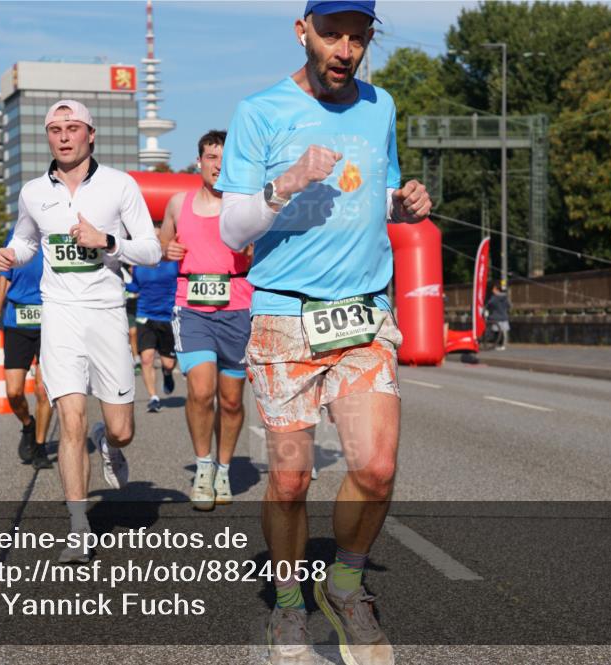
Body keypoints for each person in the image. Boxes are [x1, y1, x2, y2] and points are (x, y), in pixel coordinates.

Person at [216, 2, 432, 663]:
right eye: (332, 33)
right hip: (283, 317)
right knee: (288, 481)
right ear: (302, 31)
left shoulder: (381, 105)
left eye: (358, 36)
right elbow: (233, 232)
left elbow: (382, 187)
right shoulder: (259, 112)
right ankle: (287, 606)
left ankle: (344, 581)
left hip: (363, 311)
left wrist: (406, 201)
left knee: (376, 465)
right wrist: (288, 182)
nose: (345, 47)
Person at [0, 99, 161, 563]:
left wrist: (105, 241)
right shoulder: (32, 192)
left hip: (107, 314)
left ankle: (109, 443)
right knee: (69, 421)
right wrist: (12, 255)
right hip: (60, 314)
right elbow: (26, 240)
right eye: (54, 129)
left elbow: (151, 251)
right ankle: (79, 525)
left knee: (122, 428)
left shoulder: (119, 186)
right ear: (47, 137)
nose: (63, 136)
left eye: (72, 127)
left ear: (91, 134)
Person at [161, 130, 253, 512]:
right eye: (211, 157)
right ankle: (203, 468)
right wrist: (168, 249)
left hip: (238, 307)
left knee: (231, 401)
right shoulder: (177, 203)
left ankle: (224, 469)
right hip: (192, 306)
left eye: (224, 158)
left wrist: (252, 247)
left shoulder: (245, 206)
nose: (218, 164)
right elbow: (162, 246)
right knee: (201, 392)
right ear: (199, 162)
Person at [0, 226, 53, 470]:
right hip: (17, 319)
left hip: (51, 320)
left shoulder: (56, 230)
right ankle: (28, 424)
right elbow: (4, 275)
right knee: (14, 392)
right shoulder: (15, 235)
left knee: (43, 391)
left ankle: (40, 446)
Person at [125, 222, 179, 413]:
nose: (156, 241)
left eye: (159, 238)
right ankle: (153, 397)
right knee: (146, 358)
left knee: (168, 363)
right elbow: (135, 287)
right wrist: (123, 281)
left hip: (168, 316)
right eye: (153, 238)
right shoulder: (140, 263)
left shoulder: (175, 261)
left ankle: (167, 373)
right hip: (145, 315)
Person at [484, 284, 511, 350]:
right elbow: (509, 306)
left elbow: (489, 304)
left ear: (496, 290)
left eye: (493, 289)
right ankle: (502, 345)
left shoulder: (494, 298)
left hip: (496, 317)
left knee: (496, 332)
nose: (492, 291)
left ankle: (497, 344)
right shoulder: (505, 297)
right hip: (504, 316)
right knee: (502, 332)